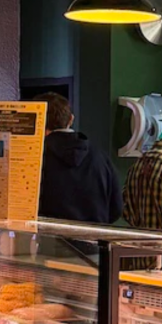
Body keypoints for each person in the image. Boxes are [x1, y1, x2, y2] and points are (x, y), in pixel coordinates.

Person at [35, 92, 122, 225]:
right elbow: (116, 209)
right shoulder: (101, 157)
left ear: (37, 121)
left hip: (48, 236)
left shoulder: (34, 158)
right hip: (94, 236)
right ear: (71, 119)